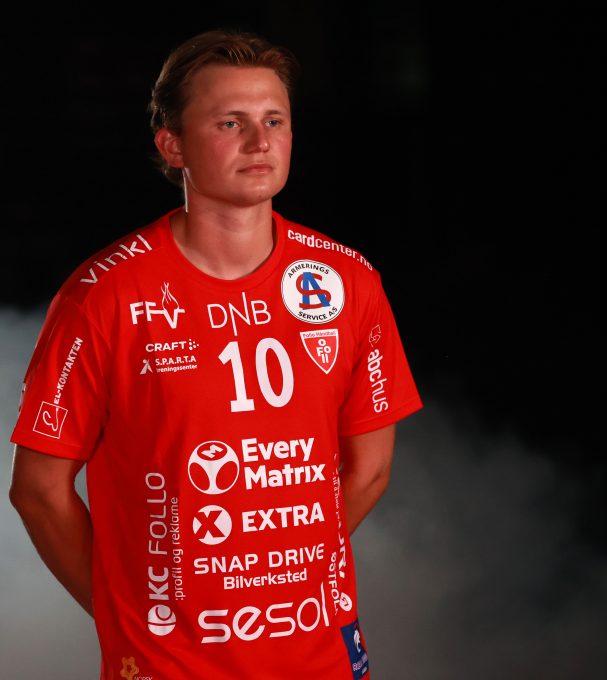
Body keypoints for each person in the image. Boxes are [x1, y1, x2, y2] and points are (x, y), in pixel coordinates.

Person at [8, 29, 423, 679]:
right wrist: (130, 612)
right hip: (168, 666)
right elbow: (37, 491)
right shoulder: (104, 295)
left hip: (320, 657)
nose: (260, 142)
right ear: (172, 145)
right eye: (231, 123)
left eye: (275, 120)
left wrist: (274, 568)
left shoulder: (348, 281)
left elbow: (368, 470)